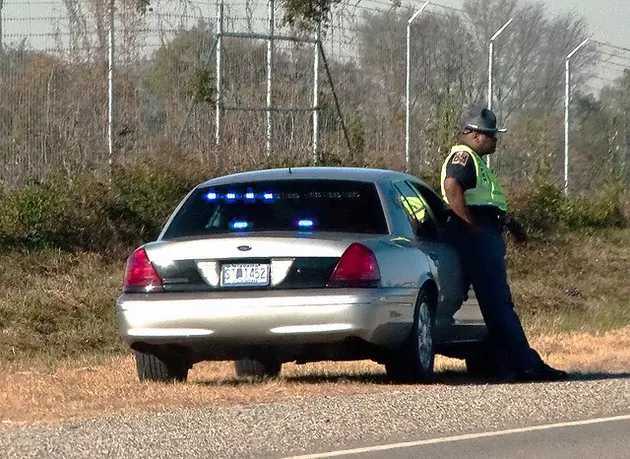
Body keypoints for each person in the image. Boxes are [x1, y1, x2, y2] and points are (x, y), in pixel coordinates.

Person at [440, 106, 568, 382]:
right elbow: (452, 187)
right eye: (490, 135)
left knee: (493, 305)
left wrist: (510, 223)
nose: (495, 140)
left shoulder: (477, 161)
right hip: (476, 237)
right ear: (473, 134)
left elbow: (485, 202)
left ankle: (504, 364)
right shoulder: (464, 157)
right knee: (498, 304)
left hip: (484, 233)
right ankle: (526, 365)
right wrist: (471, 227)